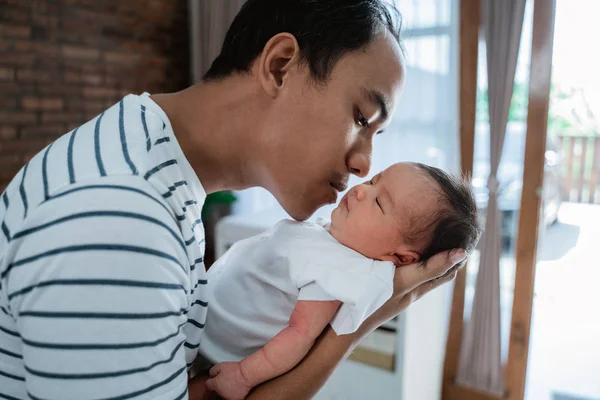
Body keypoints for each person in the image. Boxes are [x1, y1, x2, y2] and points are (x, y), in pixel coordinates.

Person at [0, 1, 467, 399]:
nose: (365, 164)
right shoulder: (121, 218)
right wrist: (365, 317)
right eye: (361, 117)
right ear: (281, 65)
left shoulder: (152, 170)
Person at [196, 162, 481, 399]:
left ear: (401, 258)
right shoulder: (333, 238)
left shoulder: (343, 273)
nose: (360, 191)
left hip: (215, 347)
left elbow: (299, 336)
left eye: (379, 202)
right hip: (201, 315)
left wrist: (245, 375)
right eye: (372, 182)